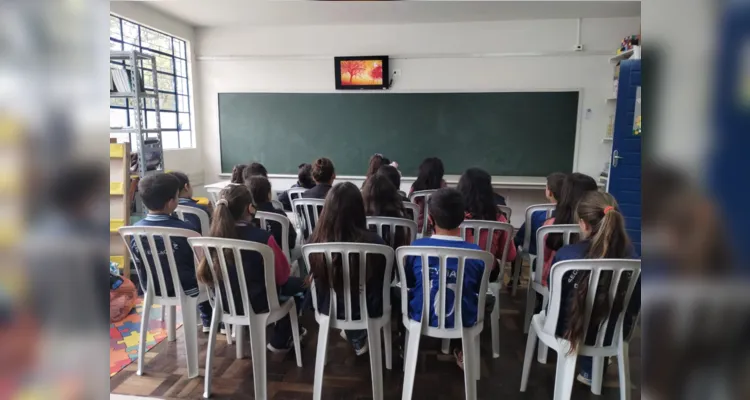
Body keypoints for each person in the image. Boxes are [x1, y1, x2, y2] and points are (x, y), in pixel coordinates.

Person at [196, 184, 306, 352]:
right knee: (301, 287)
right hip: (259, 303)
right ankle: (282, 337)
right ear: (250, 208)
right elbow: (282, 277)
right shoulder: (263, 238)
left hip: (224, 302)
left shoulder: (211, 238)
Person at [550, 191, 639, 387]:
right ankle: (593, 367)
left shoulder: (566, 256)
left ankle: (583, 365)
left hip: (568, 330)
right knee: (604, 312)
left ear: (583, 223)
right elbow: (634, 302)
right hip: (614, 333)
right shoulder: (633, 257)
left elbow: (554, 295)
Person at [405, 188, 487, 369]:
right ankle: (464, 350)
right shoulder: (478, 254)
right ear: (464, 217)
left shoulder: (414, 248)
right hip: (463, 320)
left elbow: (410, 283)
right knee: (487, 301)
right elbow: (480, 287)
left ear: (429, 219)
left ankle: (407, 349)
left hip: (421, 317)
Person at [308, 182, 388, 356]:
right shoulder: (375, 243)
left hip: (327, 308)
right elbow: (385, 279)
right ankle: (358, 334)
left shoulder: (314, 241)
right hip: (368, 309)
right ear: (359, 209)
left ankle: (356, 334)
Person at [130, 173, 213, 331]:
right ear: (171, 203)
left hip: (151, 287)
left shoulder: (134, 230)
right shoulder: (186, 230)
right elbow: (201, 263)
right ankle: (211, 320)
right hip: (186, 288)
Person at [456, 168, 517, 281]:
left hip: (455, 270)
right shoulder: (499, 218)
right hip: (487, 273)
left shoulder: (453, 216)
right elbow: (510, 256)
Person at [541, 173, 599, 286]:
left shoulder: (551, 224)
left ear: (565, 194)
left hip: (557, 279)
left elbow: (544, 256)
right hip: (595, 282)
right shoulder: (606, 225)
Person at [509, 172, 566, 287]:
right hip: (565, 257)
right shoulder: (576, 216)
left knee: (515, 241)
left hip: (537, 252)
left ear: (549, 192)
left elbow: (521, 236)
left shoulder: (537, 213)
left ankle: (514, 279)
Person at [246, 175, 297, 252]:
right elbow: (291, 243)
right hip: (279, 258)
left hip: (255, 260)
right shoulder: (280, 215)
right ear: (269, 194)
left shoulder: (246, 218)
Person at [362, 173, 411, 248]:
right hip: (397, 258)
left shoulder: (362, 219)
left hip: (370, 258)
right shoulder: (402, 220)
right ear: (392, 194)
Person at [408, 157, 447, 234]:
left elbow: (410, 208)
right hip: (437, 231)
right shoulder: (443, 187)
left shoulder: (415, 187)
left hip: (416, 230)